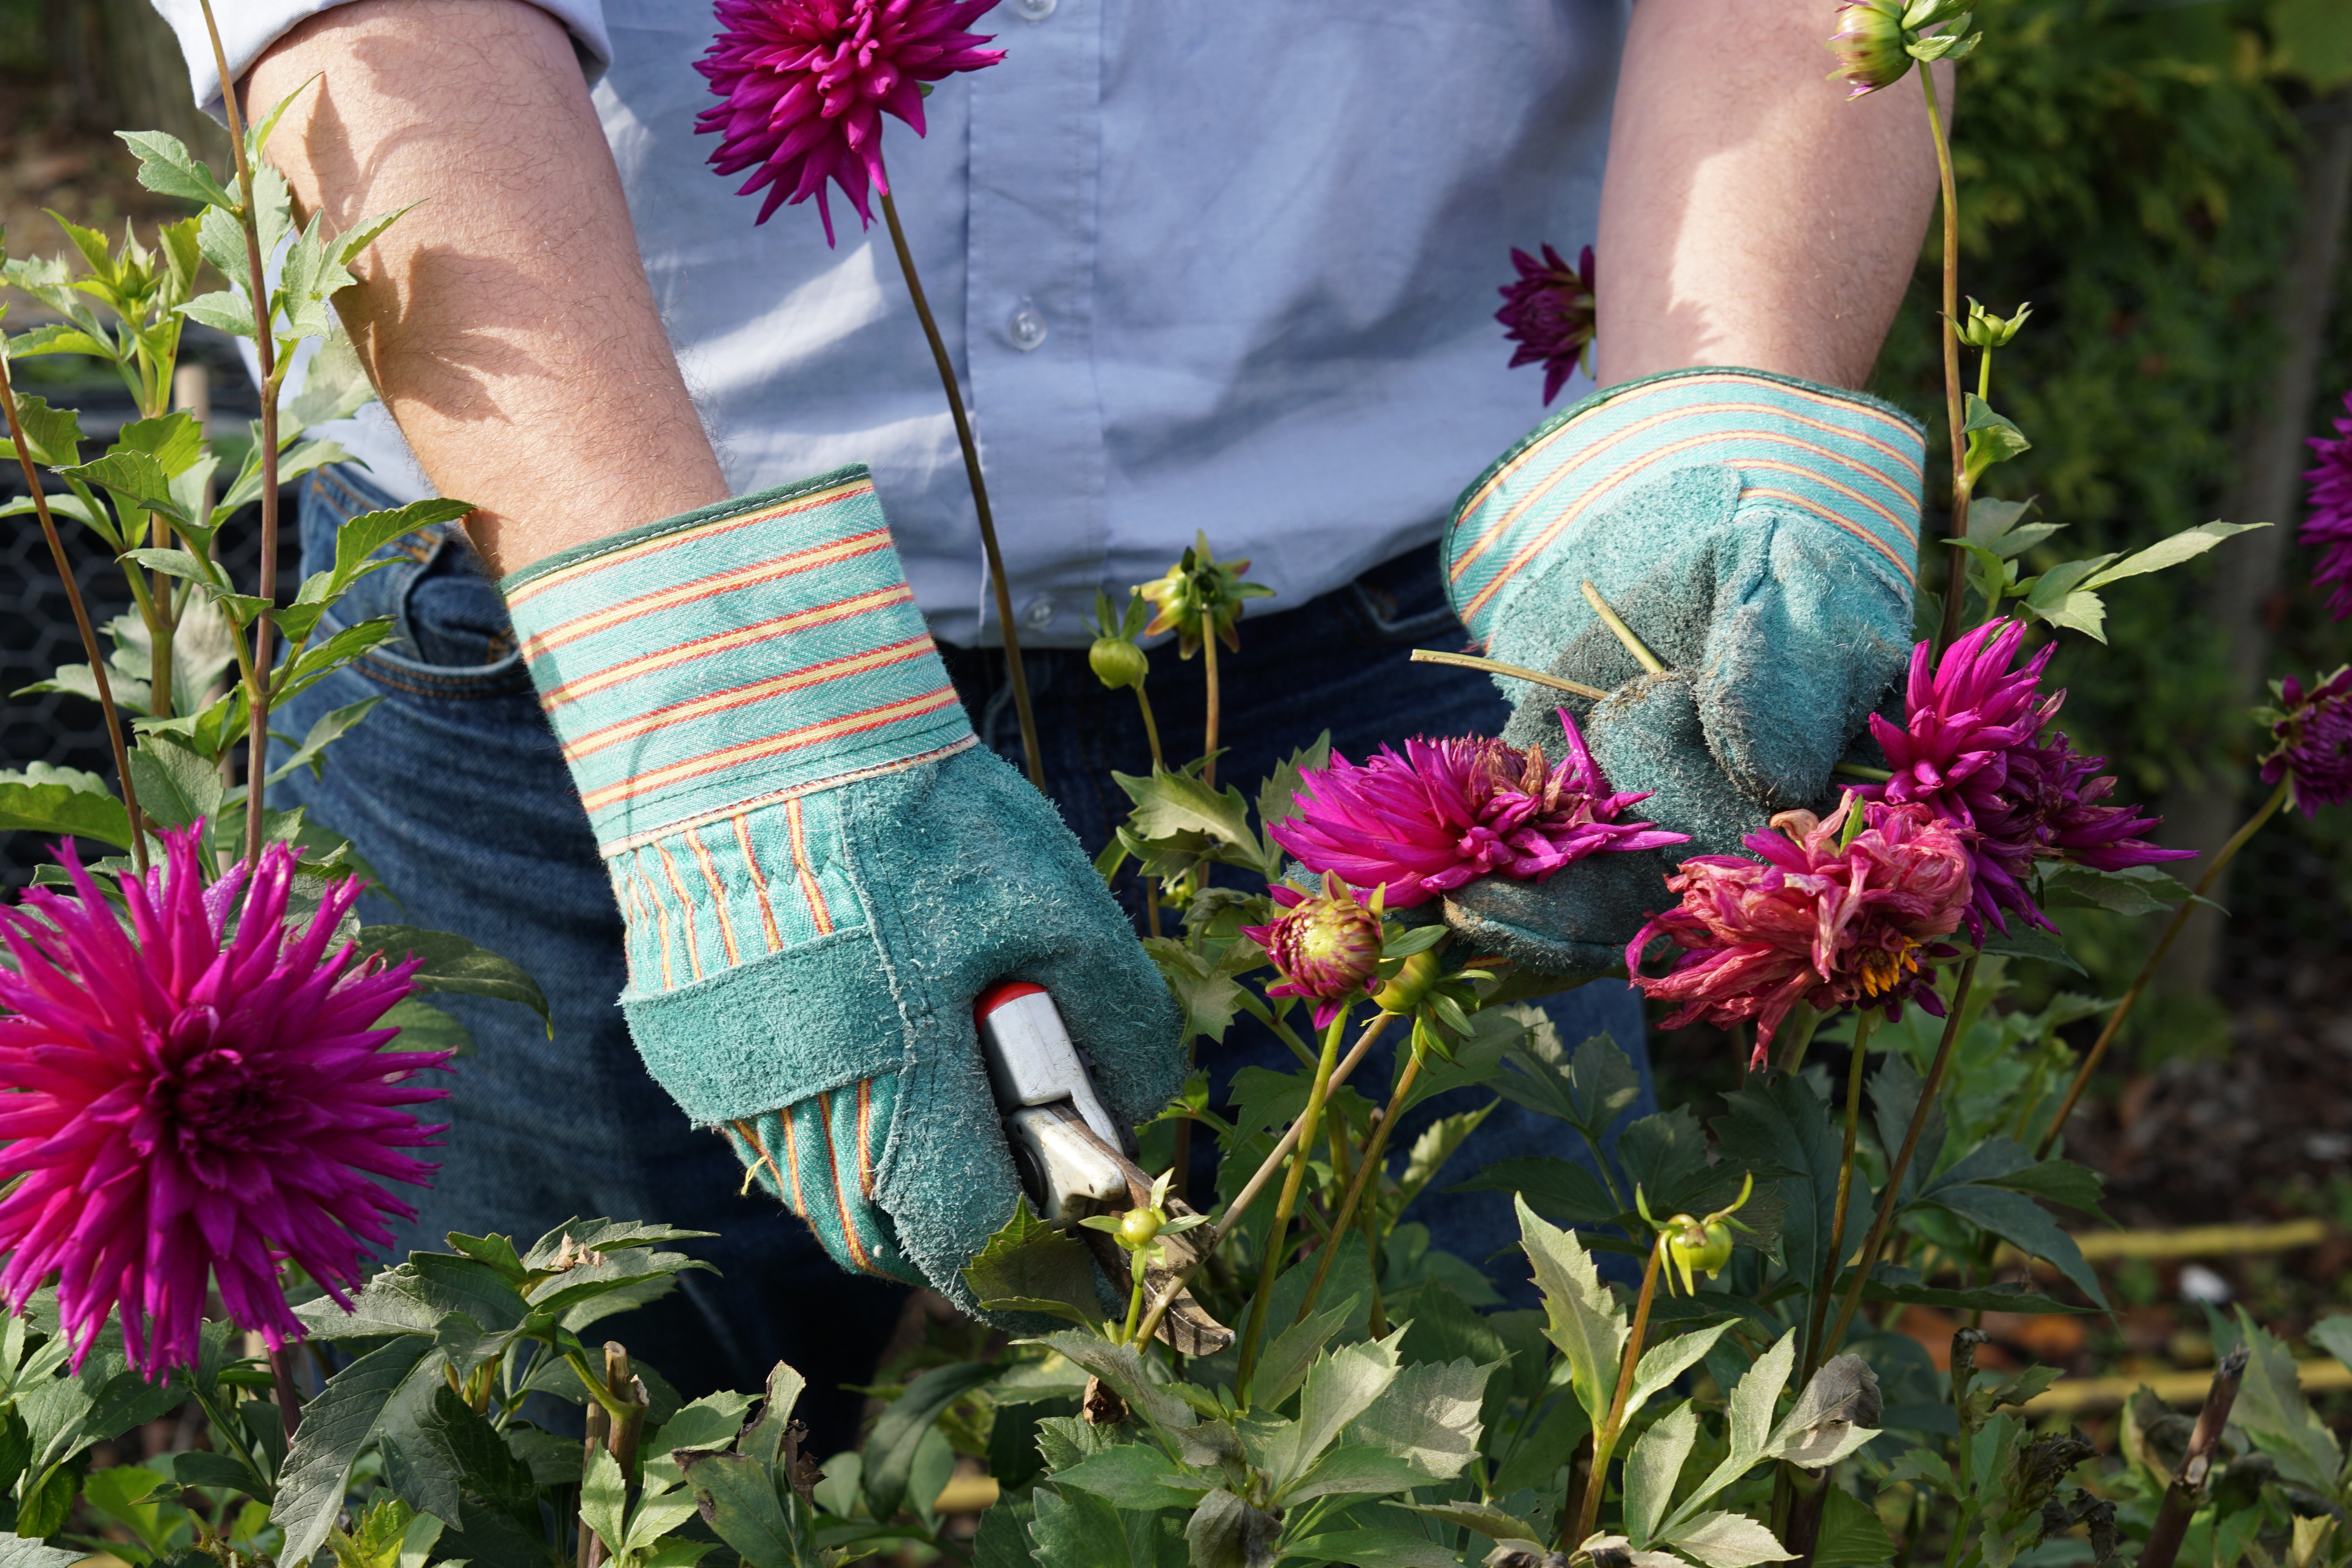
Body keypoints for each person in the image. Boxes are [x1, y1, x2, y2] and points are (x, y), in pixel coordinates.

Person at [154, 0, 1938, 1448]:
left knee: (1479, 1448)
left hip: (1419, 630)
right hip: (565, 621)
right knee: (548, 1446)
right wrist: (692, 680)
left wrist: (1720, 407)